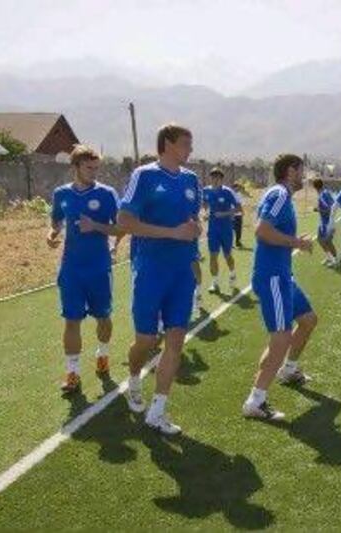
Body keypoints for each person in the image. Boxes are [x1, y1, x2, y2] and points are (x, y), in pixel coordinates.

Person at [118, 124, 202, 435]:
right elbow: (124, 220)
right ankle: (135, 379)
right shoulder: (145, 175)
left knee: (176, 341)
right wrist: (172, 233)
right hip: (151, 269)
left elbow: (192, 220)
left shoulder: (192, 179)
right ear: (167, 144)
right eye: (185, 144)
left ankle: (157, 411)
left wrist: (195, 230)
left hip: (182, 273)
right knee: (146, 341)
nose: (190, 150)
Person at [242, 154, 317, 420]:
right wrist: (297, 243)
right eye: (301, 170)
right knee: (281, 338)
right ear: (290, 171)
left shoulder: (280, 195)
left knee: (308, 320)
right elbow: (261, 230)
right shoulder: (279, 195)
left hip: (283, 275)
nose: (304, 176)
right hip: (272, 277)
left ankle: (289, 369)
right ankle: (256, 400)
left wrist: (296, 241)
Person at [48, 145, 122, 393]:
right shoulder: (61, 194)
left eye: (96, 168)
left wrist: (97, 227)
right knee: (71, 320)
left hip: (99, 267)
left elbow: (121, 228)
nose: (94, 172)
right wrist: (51, 235)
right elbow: (56, 221)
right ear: (76, 167)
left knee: (103, 317)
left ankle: (102, 354)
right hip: (71, 268)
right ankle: (72, 373)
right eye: (89, 168)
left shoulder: (107, 194)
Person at [202, 167, 240, 293]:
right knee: (213, 256)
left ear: (222, 179)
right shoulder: (206, 191)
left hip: (226, 230)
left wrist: (223, 214)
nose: (215, 179)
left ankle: (233, 273)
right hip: (213, 230)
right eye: (213, 177)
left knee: (227, 256)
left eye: (218, 177)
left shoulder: (228, 192)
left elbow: (239, 209)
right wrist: (206, 212)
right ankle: (215, 283)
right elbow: (205, 203)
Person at [312, 179, 339, 266]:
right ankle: (329, 257)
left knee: (327, 241)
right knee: (320, 240)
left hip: (327, 222)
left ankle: (335, 260)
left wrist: (318, 209)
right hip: (323, 222)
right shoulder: (325, 193)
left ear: (315, 188)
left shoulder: (323, 195)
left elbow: (329, 209)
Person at [231, 182, 244, 247]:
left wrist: (242, 211)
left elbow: (240, 204)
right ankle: (230, 243)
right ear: (233, 187)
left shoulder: (239, 194)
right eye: (237, 187)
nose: (238, 188)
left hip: (239, 214)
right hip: (232, 214)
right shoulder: (230, 194)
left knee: (239, 229)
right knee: (231, 229)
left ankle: (238, 242)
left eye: (239, 187)